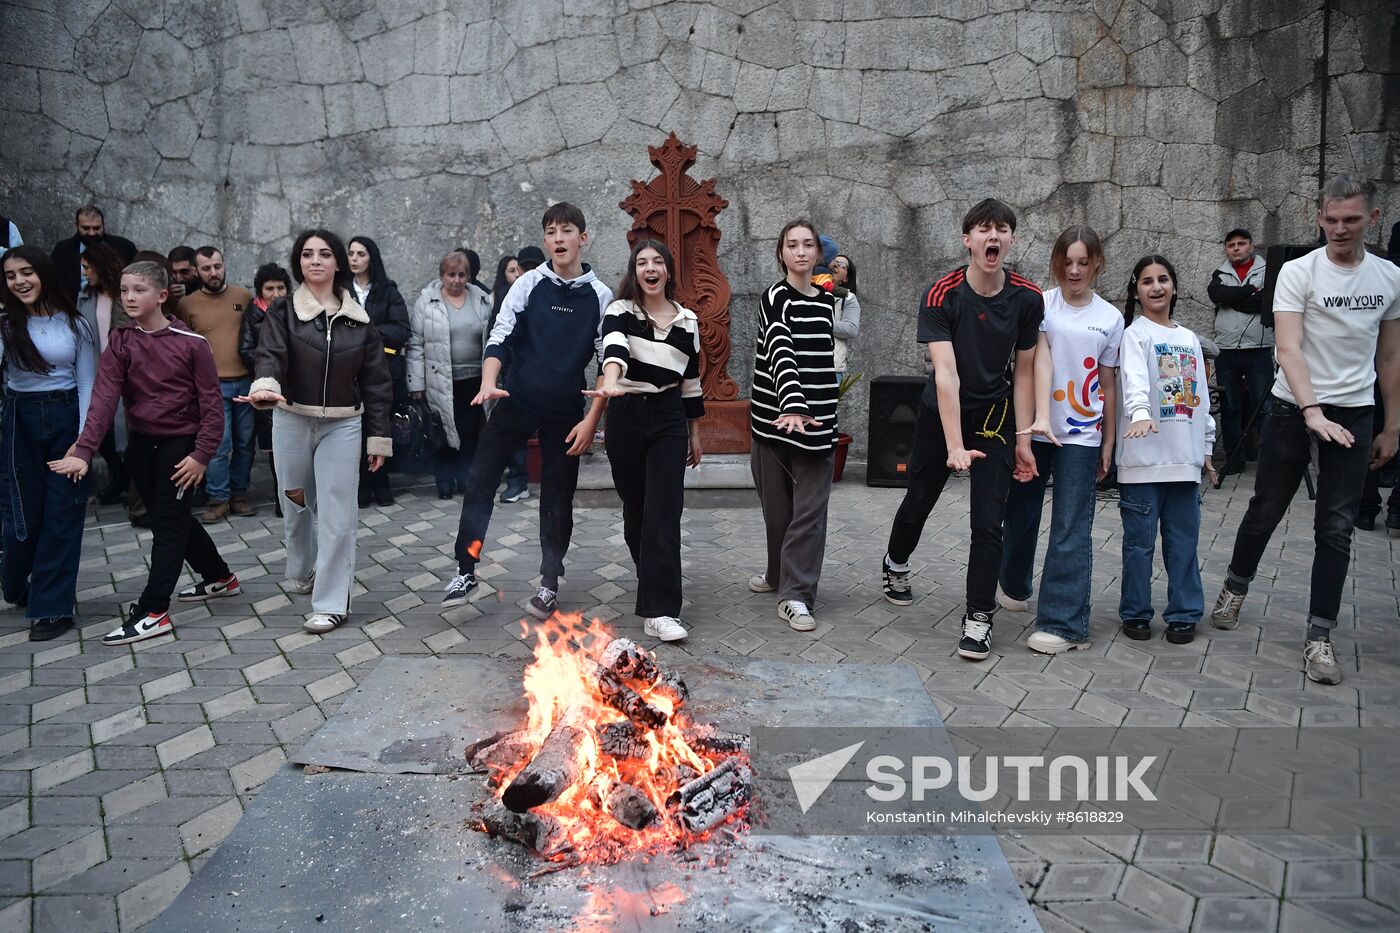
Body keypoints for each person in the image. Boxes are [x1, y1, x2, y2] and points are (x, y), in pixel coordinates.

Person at [1211, 176, 1400, 685]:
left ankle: (1320, 635)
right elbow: (1288, 348)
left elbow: (1390, 357)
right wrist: (1312, 410)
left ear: (1372, 219)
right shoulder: (1298, 272)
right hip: (1291, 408)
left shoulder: (1389, 278)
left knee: (1336, 527)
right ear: (1319, 218)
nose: (1340, 229)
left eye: (1351, 220)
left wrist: (1392, 426)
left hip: (1355, 412)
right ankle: (1236, 584)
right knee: (1266, 509)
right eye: (1331, 219)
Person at [880, 199, 1042, 661]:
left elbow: (1024, 372)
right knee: (920, 499)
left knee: (988, 521)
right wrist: (954, 445)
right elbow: (945, 374)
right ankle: (895, 561)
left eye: (1002, 229)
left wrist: (1024, 439)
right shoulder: (941, 294)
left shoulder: (1027, 298)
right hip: (941, 414)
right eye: (984, 229)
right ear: (967, 240)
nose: (994, 236)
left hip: (994, 417)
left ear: (1010, 240)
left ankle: (978, 616)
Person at [49, 261, 240, 646]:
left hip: (180, 448)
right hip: (140, 446)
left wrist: (202, 455)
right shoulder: (121, 341)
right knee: (172, 518)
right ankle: (220, 577)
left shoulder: (192, 344)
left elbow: (212, 407)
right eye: (124, 290)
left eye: (139, 290)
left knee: (168, 526)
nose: (129, 297)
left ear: (162, 295)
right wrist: (84, 449)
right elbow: (104, 399)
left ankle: (154, 611)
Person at [440, 203, 611, 617]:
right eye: (551, 231)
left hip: (565, 410)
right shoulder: (529, 283)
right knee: (481, 480)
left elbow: (609, 360)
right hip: (516, 399)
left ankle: (549, 581)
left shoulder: (600, 295)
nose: (558, 238)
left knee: (557, 495)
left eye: (566, 230)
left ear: (582, 238)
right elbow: (501, 336)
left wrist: (592, 419)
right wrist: (488, 381)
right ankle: (466, 568)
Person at [243, 229, 394, 634]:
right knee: (294, 503)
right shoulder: (283, 311)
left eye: (324, 254)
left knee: (336, 513)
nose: (315, 260)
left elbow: (378, 383)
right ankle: (303, 567)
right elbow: (269, 354)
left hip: (343, 424)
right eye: (307, 254)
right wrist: (266, 386)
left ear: (338, 262)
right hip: (291, 418)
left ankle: (331, 603)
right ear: (299, 262)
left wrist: (378, 438)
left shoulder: (360, 320)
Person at [999, 225, 1123, 654]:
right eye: (1067, 262)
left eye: (1083, 263)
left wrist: (1109, 441)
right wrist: (1025, 428)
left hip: (1082, 436)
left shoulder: (1110, 318)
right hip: (1035, 430)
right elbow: (1028, 367)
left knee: (1071, 524)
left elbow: (1108, 383)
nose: (1074, 271)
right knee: (1020, 512)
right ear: (1056, 262)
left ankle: (1066, 624)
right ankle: (1013, 585)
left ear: (1096, 264)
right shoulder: (1040, 304)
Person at [587, 240, 704, 643]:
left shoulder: (688, 321)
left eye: (657, 262)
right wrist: (612, 381)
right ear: (634, 271)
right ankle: (652, 579)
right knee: (636, 513)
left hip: (669, 417)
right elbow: (614, 349)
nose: (650, 268)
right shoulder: (620, 311)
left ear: (668, 271)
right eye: (642, 262)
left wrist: (695, 432)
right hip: (625, 415)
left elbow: (691, 381)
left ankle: (660, 609)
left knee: (664, 512)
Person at [1115, 255, 1216, 645]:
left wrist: (1205, 447)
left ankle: (1184, 612)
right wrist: (1140, 413)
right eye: (1146, 281)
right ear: (1136, 291)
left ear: (1174, 286)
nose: (1155, 287)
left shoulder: (1189, 339)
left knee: (1183, 544)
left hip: (1184, 463)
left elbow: (1200, 399)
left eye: (1162, 279)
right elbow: (1135, 382)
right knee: (1138, 546)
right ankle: (1136, 612)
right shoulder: (1135, 335)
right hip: (1142, 463)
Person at [0, 246, 96, 642]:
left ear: (43, 273)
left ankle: (52, 607)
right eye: (10, 276)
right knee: (22, 519)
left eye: (26, 272)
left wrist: (83, 441)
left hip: (65, 418)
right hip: (18, 421)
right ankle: (13, 583)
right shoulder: (6, 325)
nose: (19, 281)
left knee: (62, 516)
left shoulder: (75, 324)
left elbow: (88, 382)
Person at [747, 219, 839, 632]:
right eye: (792, 245)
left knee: (809, 514)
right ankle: (776, 573)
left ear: (817, 253)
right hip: (775, 420)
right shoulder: (775, 297)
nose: (800, 251)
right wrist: (792, 404)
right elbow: (780, 348)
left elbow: (822, 358)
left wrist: (809, 410)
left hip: (817, 423)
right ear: (781, 253)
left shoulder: (826, 301)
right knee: (778, 511)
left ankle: (796, 596)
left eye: (808, 245)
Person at [178, 246, 256, 521]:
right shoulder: (187, 305)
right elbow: (183, 347)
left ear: (224, 265)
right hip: (211, 387)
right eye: (206, 268)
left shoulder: (243, 297)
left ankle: (239, 495)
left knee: (245, 443)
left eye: (217, 266)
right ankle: (218, 498)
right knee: (218, 445)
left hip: (246, 383)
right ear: (196, 271)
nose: (213, 273)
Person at [407, 250, 492, 500]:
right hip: (440, 379)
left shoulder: (481, 300)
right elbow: (415, 343)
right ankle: (444, 481)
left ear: (469, 276)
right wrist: (416, 383)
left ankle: (466, 479)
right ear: (442, 275)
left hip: (474, 379)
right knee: (442, 431)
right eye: (451, 275)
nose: (456, 280)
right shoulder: (427, 302)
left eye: (461, 275)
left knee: (469, 431)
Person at [347, 236, 410, 507]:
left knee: (381, 422)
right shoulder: (341, 290)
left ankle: (381, 480)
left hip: (382, 369)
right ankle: (362, 483)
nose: (354, 259)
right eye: (351, 253)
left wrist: (367, 331)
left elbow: (401, 330)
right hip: (348, 370)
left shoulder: (387, 291)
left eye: (360, 254)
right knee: (355, 428)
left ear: (371, 258)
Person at [1208, 228, 1271, 475]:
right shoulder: (1220, 273)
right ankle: (1234, 458)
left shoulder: (1268, 271)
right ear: (1226, 249)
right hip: (1227, 350)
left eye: (1241, 243)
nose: (1236, 248)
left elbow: (1264, 301)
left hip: (1259, 349)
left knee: (1263, 407)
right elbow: (1217, 294)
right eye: (1231, 245)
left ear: (1251, 246)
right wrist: (1248, 291)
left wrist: (1233, 300)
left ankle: (1268, 462)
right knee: (1230, 407)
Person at [75, 241, 131, 505]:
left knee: (126, 428)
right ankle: (120, 476)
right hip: (97, 371)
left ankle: (128, 482)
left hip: (127, 371)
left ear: (100, 266)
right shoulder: (85, 297)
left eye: (87, 267)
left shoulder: (125, 294)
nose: (84, 272)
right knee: (102, 429)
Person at [238, 263, 292, 517]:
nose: (275, 293)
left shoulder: (295, 310)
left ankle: (301, 496)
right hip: (267, 388)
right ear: (260, 291)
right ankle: (282, 499)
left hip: (294, 388)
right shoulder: (253, 314)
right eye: (269, 288)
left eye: (280, 287)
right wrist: (271, 367)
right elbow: (245, 349)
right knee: (275, 447)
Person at [498, 248, 541, 503]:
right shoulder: (510, 296)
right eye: (524, 268)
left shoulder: (554, 293)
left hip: (550, 377)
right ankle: (517, 482)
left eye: (534, 267)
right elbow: (499, 336)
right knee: (515, 432)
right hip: (517, 376)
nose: (528, 273)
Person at [50, 205, 136, 303]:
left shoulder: (124, 247)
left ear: (103, 225)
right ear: (76, 225)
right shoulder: (63, 250)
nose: (92, 233)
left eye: (96, 228)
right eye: (86, 228)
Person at [830, 253, 861, 379]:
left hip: (832, 367)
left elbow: (851, 328)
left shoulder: (848, 298)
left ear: (846, 278)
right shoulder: (806, 290)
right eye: (834, 262)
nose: (836, 266)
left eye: (842, 265)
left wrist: (822, 324)